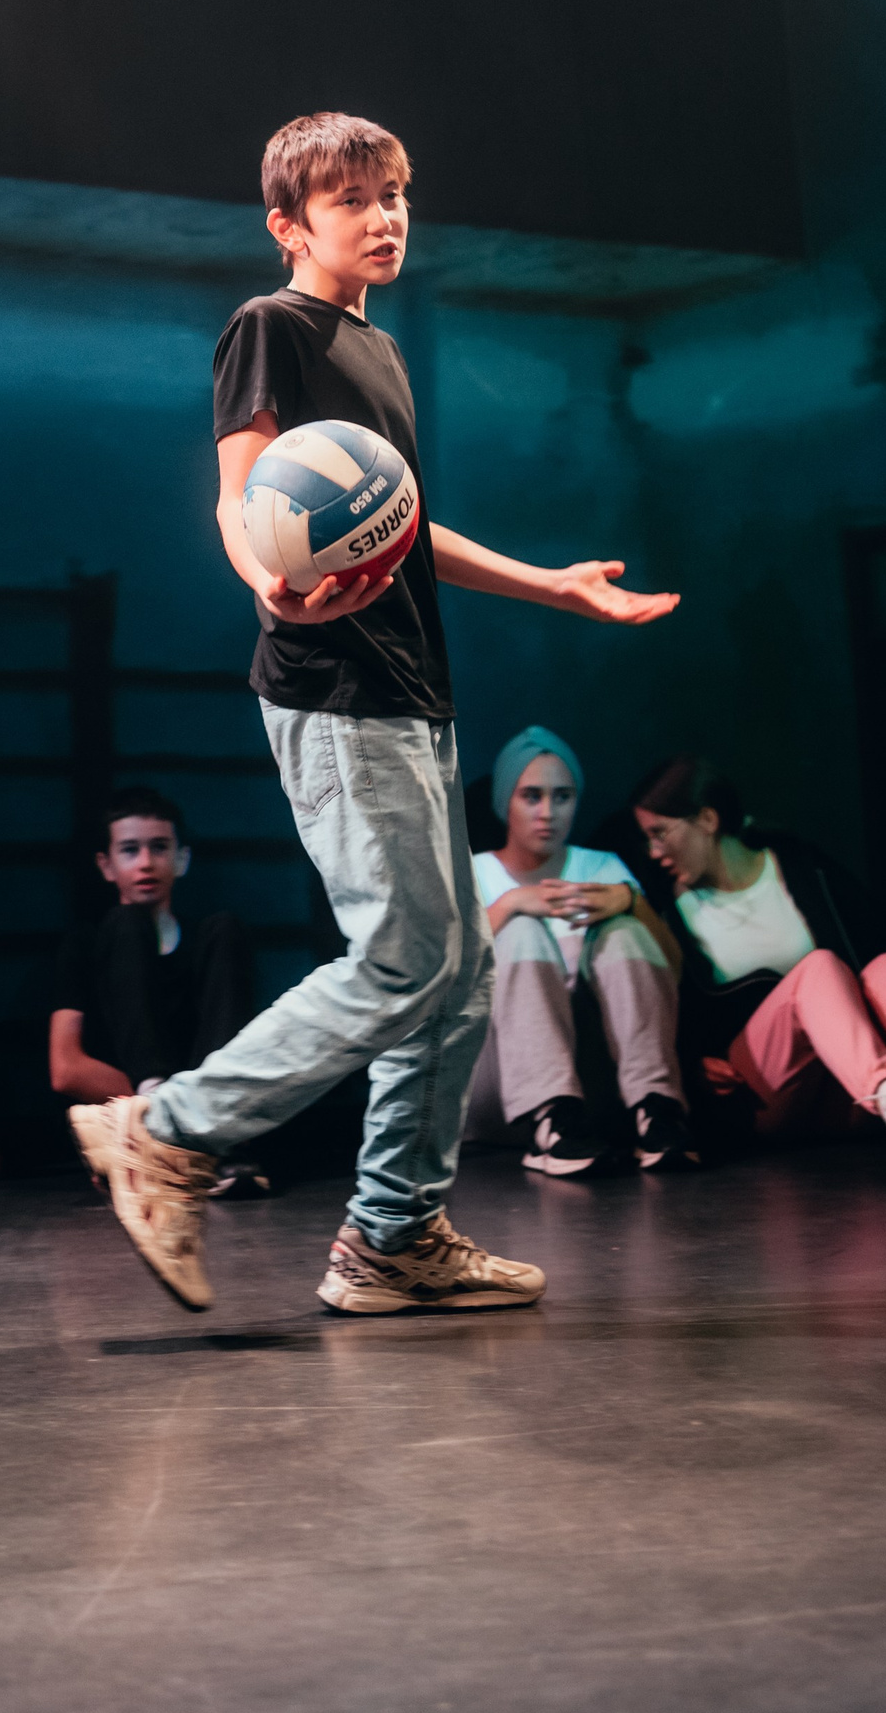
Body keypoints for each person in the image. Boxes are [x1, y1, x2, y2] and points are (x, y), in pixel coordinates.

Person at [69, 111, 678, 1315]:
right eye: (352, 199)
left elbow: (401, 528)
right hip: (333, 686)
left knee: (456, 974)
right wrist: (270, 584)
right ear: (290, 226)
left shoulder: (380, 353)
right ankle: (166, 1130)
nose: (385, 216)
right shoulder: (272, 328)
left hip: (411, 687)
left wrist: (552, 586)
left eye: (394, 193)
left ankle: (393, 1236)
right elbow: (240, 497)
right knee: (404, 958)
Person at [631, 755, 886, 1171]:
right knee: (819, 967)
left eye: (660, 833)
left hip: (850, 1089)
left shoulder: (800, 867)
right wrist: (692, 1062)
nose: (653, 851)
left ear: (707, 819)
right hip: (763, 1094)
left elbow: (868, 947)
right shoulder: (666, 908)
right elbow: (666, 1011)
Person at [466, 724, 695, 1177]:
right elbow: (437, 981)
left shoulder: (602, 868)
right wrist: (510, 906)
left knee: (623, 930)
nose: (547, 812)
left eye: (562, 796)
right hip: (500, 1087)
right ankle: (549, 1119)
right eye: (531, 796)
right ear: (505, 801)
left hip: (600, 1090)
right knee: (522, 931)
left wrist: (631, 902)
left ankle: (657, 1110)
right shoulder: (474, 875)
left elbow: (673, 970)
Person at [49, 787, 265, 1195]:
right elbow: (66, 1070)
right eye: (130, 850)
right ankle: (175, 1127)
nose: (146, 863)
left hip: (209, 1108)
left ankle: (212, 1136)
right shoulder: (85, 945)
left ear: (182, 859)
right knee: (128, 922)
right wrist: (163, 1102)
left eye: (160, 848)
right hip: (134, 1116)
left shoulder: (210, 943)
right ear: (107, 865)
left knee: (225, 928)